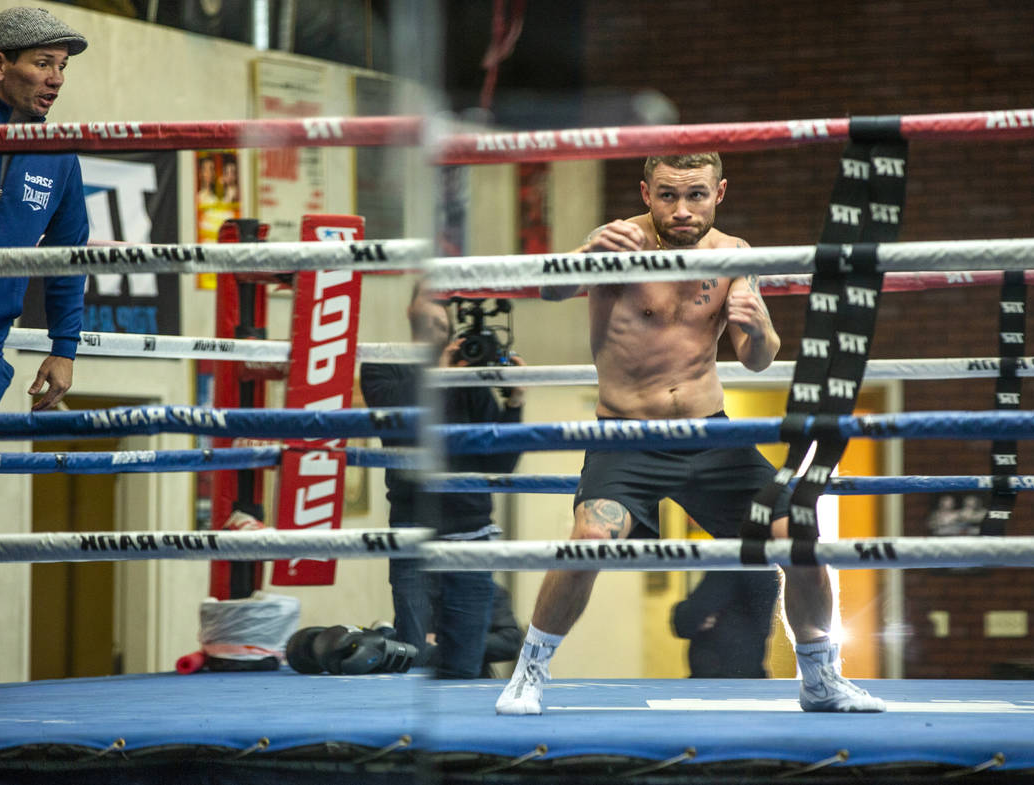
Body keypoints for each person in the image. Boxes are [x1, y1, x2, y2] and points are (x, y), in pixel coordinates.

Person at [496, 153, 885, 713]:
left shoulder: (734, 255)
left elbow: (757, 358)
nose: (682, 209)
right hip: (626, 437)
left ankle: (821, 680)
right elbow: (548, 292)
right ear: (646, 192)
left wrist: (760, 328)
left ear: (719, 192)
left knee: (797, 537)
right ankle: (529, 674)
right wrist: (583, 256)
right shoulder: (618, 243)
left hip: (711, 436)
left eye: (695, 195)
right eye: (668, 196)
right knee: (588, 542)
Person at [360, 283, 527, 679]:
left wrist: (515, 402)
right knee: (413, 658)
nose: (436, 309)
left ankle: (462, 739)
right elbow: (399, 428)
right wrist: (441, 378)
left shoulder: (470, 378)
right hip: (414, 533)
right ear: (410, 308)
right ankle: (416, 740)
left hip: (472, 535)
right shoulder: (384, 363)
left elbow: (501, 460)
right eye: (428, 297)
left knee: (466, 663)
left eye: (443, 302)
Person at [0, 6, 89, 410]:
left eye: (62, 66)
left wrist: (64, 348)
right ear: (1, 65)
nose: (57, 79)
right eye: (43, 63)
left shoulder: (59, 155)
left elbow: (67, 255)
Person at [671, 569, 779, 678]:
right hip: (749, 673)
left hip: (718, 679)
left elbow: (690, 617)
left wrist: (682, 610)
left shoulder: (730, 567)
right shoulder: (768, 568)